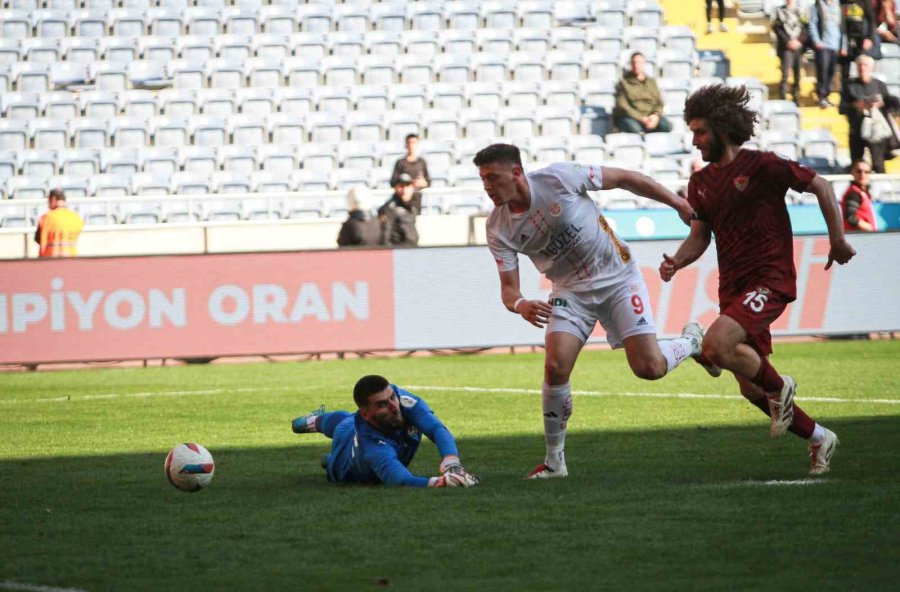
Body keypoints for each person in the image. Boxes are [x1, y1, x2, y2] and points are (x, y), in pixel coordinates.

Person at [474, 143, 712, 480]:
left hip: (619, 278)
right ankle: (555, 462)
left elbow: (625, 178)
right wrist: (520, 304)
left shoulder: (559, 178)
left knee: (649, 368)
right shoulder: (497, 227)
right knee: (555, 366)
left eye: (492, 178)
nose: (487, 187)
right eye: (482, 180)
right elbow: (509, 290)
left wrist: (677, 202)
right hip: (570, 293)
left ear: (516, 173)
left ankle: (691, 341)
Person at [659, 84, 856, 475]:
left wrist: (837, 240)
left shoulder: (763, 165)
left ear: (721, 128)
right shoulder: (699, 183)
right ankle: (819, 437)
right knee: (750, 387)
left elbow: (821, 184)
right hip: (732, 287)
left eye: (700, 131)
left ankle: (782, 385)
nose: (694, 140)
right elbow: (700, 236)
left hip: (770, 277)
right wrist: (677, 262)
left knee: (716, 344)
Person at [291, 374, 480, 488]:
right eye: (382, 404)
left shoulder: (403, 400)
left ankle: (316, 426)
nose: (394, 406)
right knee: (340, 425)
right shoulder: (372, 446)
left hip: (354, 425)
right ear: (365, 414)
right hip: (346, 463)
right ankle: (313, 426)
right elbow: (400, 479)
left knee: (345, 419)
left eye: (392, 397)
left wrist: (451, 462)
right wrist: (439, 482)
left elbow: (437, 429)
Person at [843, 54, 900, 173]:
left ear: (871, 68)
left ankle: (880, 189)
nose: (862, 68)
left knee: (878, 163)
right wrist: (857, 105)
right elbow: (841, 108)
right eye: (860, 65)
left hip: (876, 131)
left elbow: (892, 103)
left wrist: (881, 103)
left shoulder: (879, 85)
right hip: (857, 130)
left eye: (865, 65)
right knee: (857, 163)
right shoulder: (850, 86)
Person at [613, 52, 673, 135]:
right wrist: (640, 118)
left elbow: (659, 102)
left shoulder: (651, 82)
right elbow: (623, 105)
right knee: (635, 129)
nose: (636, 65)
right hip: (632, 117)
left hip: (650, 115)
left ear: (644, 64)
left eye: (639, 63)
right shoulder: (623, 83)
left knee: (666, 126)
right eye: (634, 63)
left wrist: (655, 115)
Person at [838, 0, 877, 104]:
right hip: (845, 39)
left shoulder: (864, 1)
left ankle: (860, 95)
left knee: (862, 68)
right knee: (845, 70)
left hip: (861, 39)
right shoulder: (841, 2)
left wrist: (869, 38)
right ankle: (845, 97)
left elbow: (871, 20)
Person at [809, 0, 844, 108]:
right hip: (823, 45)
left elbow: (842, 26)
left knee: (831, 72)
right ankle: (821, 96)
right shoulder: (818, 4)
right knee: (822, 72)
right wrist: (816, 40)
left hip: (835, 45)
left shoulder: (838, 4)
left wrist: (843, 45)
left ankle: (826, 96)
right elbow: (812, 23)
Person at [772, 0, 806, 104]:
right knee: (785, 74)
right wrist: (788, 41)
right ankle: (783, 98)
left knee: (797, 74)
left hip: (798, 47)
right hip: (786, 47)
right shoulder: (779, 11)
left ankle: (796, 98)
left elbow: (805, 28)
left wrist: (799, 41)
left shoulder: (801, 11)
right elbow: (776, 28)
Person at [34, 188, 84, 258]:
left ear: (53, 199)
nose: (48, 204)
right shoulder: (76, 218)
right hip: (71, 259)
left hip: (48, 259)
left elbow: (37, 239)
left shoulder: (46, 218)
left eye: (48, 201)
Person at [378, 173, 419, 246]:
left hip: (412, 250)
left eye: (407, 186)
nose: (404, 190)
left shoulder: (412, 206)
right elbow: (385, 237)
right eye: (401, 186)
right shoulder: (389, 208)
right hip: (398, 252)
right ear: (396, 188)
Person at [841, 160, 879, 230]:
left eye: (866, 172)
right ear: (852, 172)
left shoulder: (861, 191)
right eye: (859, 171)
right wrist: (870, 228)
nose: (862, 175)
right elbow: (850, 217)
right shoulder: (854, 193)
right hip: (859, 237)